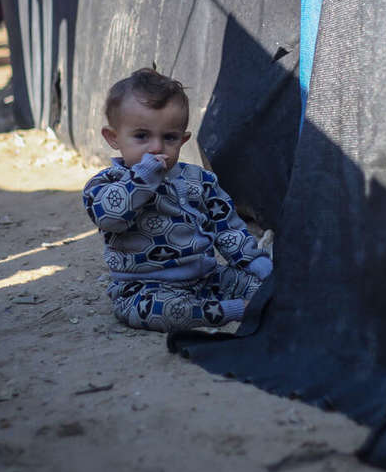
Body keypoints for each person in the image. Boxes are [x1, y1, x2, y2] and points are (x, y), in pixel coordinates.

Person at [82, 68, 272, 331]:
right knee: (163, 311)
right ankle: (233, 310)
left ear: (182, 140)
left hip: (208, 277)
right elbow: (111, 217)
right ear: (113, 138)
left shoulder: (200, 181)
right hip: (144, 286)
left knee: (272, 287)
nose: (157, 148)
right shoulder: (105, 185)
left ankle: (251, 300)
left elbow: (226, 227)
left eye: (169, 137)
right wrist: (144, 177)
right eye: (141, 136)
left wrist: (256, 263)